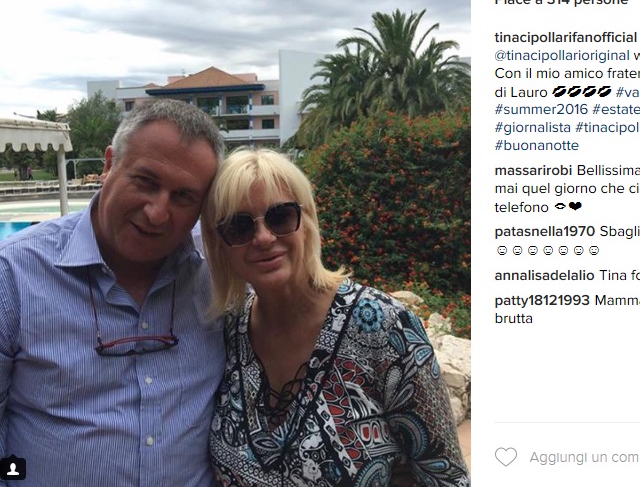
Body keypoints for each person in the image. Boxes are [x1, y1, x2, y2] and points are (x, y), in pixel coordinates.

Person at [201, 148, 469, 486]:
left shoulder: (384, 328)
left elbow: (446, 476)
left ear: (307, 222)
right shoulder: (230, 330)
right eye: (239, 227)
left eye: (280, 217)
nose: (264, 238)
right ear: (220, 244)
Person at [0, 99, 226, 486]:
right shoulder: (14, 274)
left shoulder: (220, 272)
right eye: (146, 182)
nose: (157, 213)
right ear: (108, 165)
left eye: (183, 197)